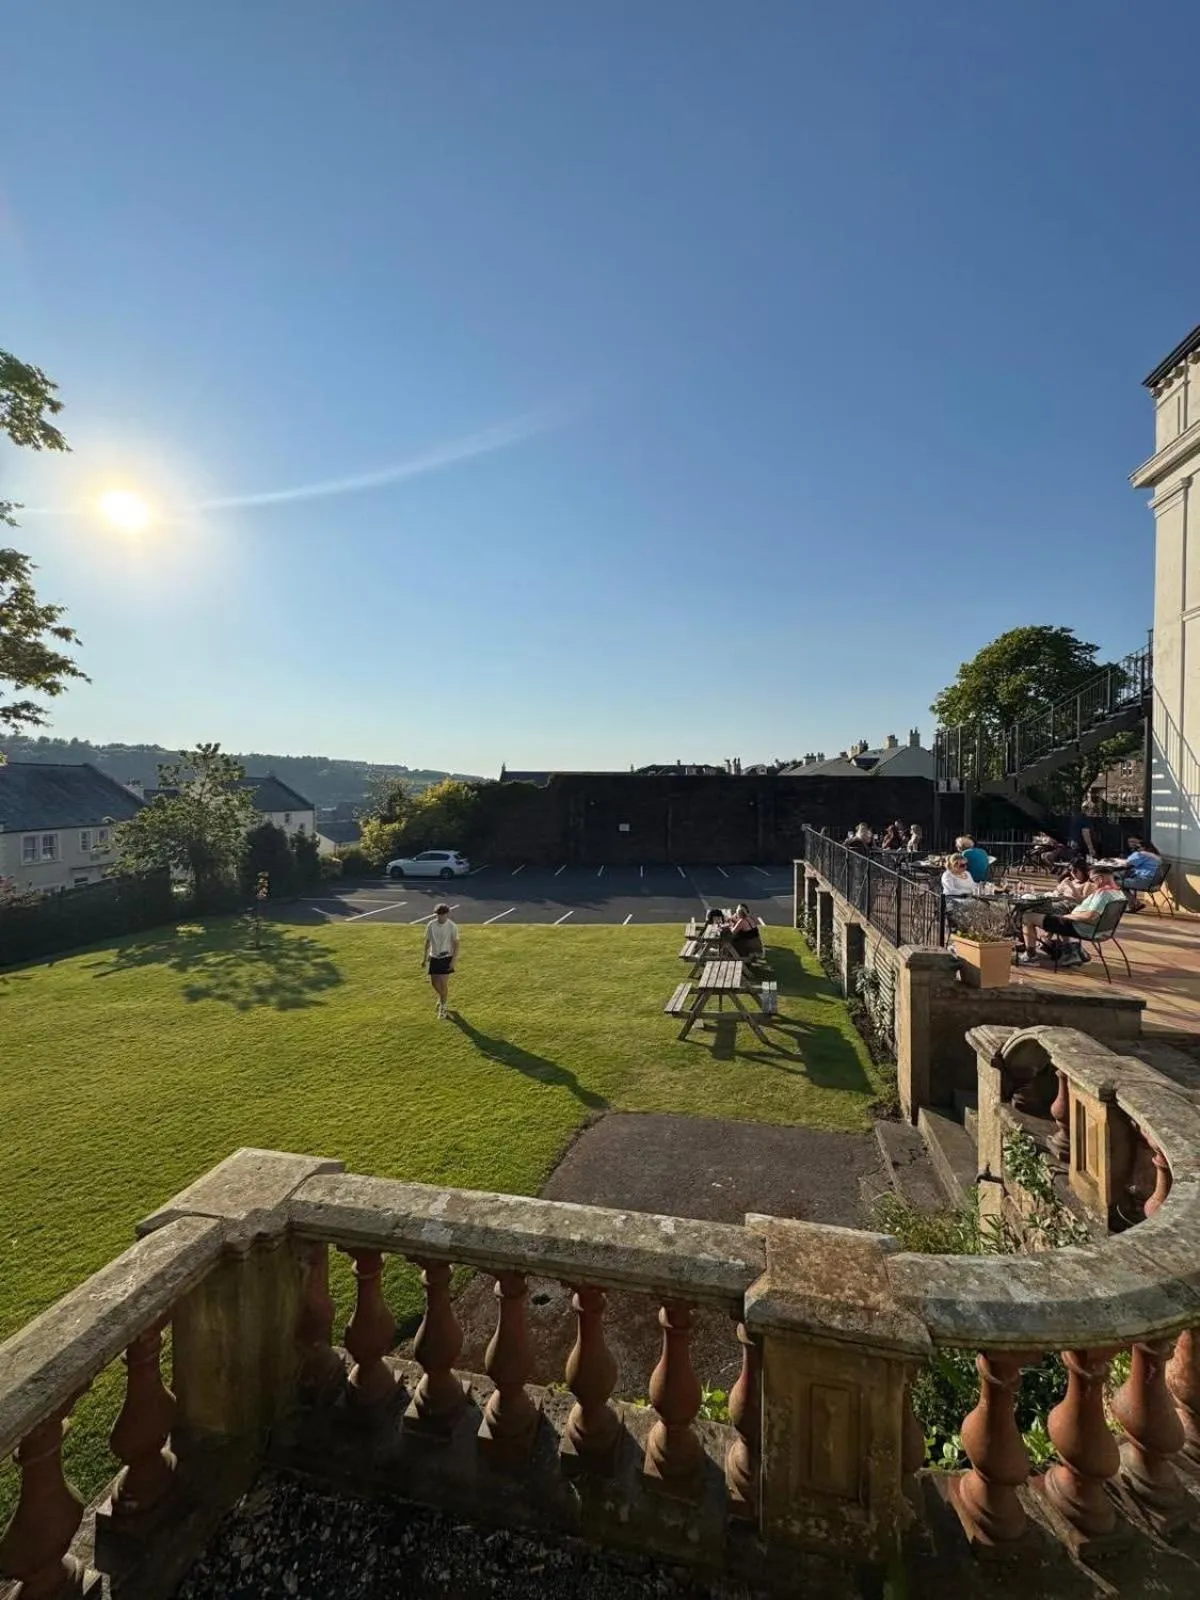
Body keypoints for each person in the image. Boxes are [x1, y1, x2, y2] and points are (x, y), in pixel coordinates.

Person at [1018, 866, 1125, 966]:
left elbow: (1091, 916)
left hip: (1081, 927)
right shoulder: (1119, 893)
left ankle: (1030, 956)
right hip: (1101, 930)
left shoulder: (1103, 894)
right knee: (1051, 914)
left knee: (1027, 916)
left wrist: (1068, 917)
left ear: (1100, 879)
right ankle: (1052, 945)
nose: (1092, 884)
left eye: (1092, 880)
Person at [423, 903, 460, 1019]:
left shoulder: (452, 926)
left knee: (443, 983)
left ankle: (443, 1008)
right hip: (434, 957)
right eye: (438, 915)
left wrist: (453, 961)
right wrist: (424, 958)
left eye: (443, 915)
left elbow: (456, 944)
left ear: (447, 914)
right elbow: (427, 942)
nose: (440, 917)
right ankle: (442, 997)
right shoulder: (431, 925)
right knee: (434, 983)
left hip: (446, 957)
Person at [1116, 837, 1162, 911]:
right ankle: (1133, 903)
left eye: (1135, 845)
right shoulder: (1156, 855)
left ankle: (1134, 904)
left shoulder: (1142, 854)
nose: (1132, 846)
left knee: (1115, 883)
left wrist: (1115, 860)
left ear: (1142, 847)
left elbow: (1126, 863)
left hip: (1145, 881)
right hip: (1154, 882)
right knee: (1123, 879)